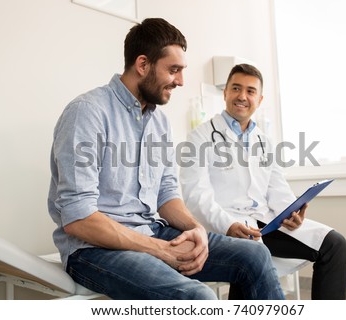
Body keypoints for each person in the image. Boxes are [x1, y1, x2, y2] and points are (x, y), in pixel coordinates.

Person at [48, 18, 284, 300]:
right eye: (173, 70)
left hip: (151, 231)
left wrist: (196, 230)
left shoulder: (158, 122)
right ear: (143, 64)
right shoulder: (87, 113)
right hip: (93, 249)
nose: (181, 81)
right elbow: (79, 219)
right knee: (199, 298)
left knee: (255, 254)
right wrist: (159, 249)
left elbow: (166, 194)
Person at [180, 63, 346, 300]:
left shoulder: (264, 141)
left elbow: (277, 189)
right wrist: (228, 225)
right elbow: (196, 197)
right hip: (224, 226)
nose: (242, 96)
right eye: (236, 88)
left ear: (259, 99)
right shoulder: (199, 137)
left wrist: (292, 211)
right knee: (250, 257)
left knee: (334, 244)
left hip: (265, 224)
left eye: (250, 91)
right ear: (225, 92)